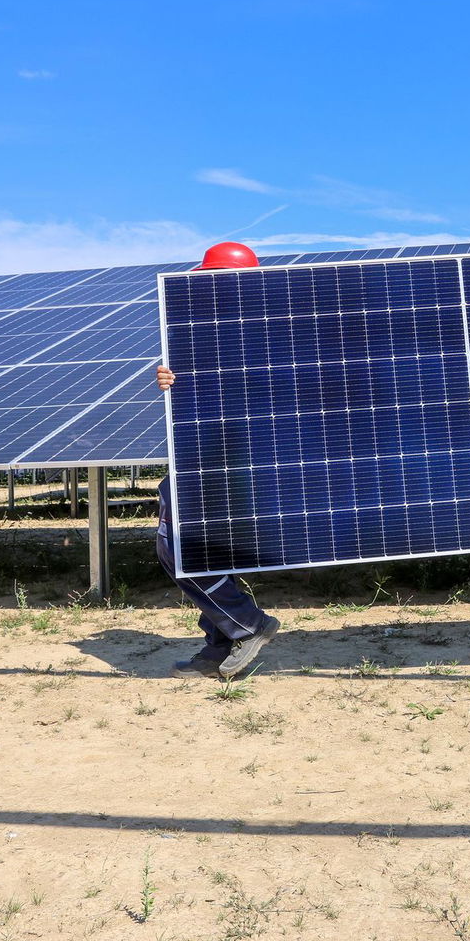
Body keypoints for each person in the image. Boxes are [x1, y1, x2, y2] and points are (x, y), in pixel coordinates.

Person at [153, 241, 281, 679]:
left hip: (236, 452)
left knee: (179, 545)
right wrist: (169, 378)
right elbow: (198, 390)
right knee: (205, 547)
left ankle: (247, 624)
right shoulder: (196, 331)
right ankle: (221, 642)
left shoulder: (267, 331)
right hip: (203, 449)